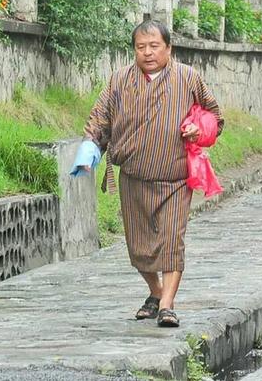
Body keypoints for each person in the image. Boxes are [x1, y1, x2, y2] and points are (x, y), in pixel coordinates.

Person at [70, 20, 224, 328]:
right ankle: (155, 292)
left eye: (154, 46)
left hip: (175, 178)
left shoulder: (188, 78)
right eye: (141, 47)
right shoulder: (119, 80)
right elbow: (99, 118)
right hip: (134, 178)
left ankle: (167, 305)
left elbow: (215, 116)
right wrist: (90, 147)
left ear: (169, 48)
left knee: (171, 242)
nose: (148, 53)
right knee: (138, 247)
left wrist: (199, 128)